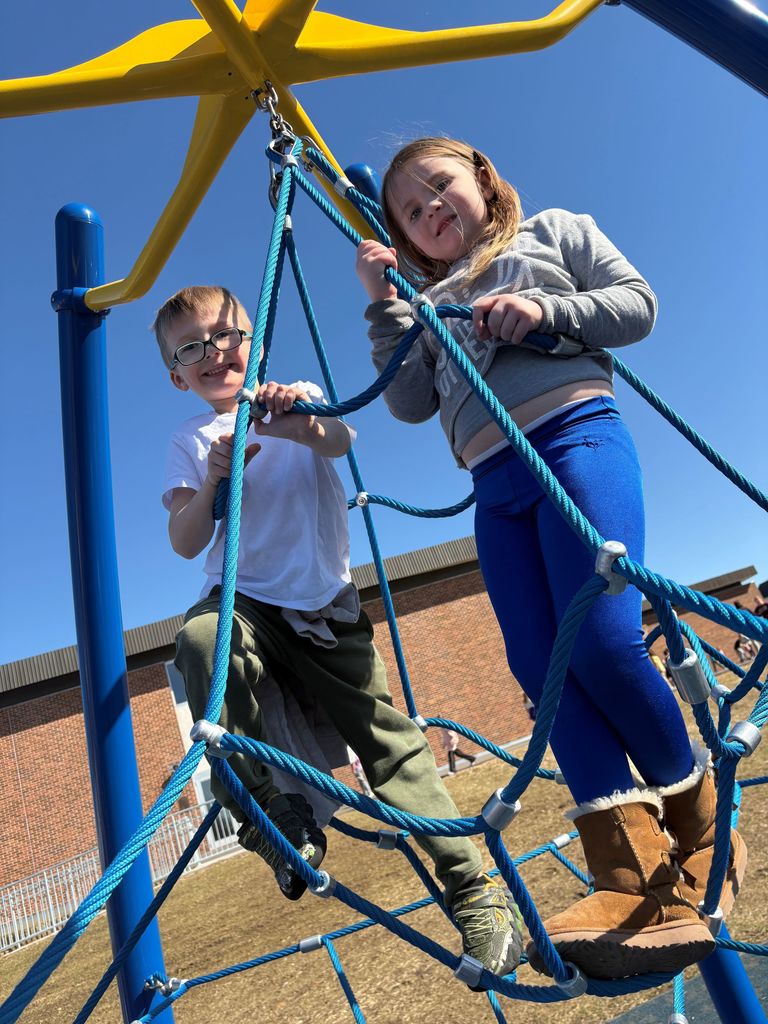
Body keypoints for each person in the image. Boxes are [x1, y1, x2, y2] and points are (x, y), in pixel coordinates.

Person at [354, 137, 746, 980]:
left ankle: (702, 822)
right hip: (495, 486)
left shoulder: (554, 234)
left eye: (440, 188)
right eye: (412, 212)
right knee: (542, 667)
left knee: (603, 640)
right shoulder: (426, 307)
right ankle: (631, 875)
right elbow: (410, 403)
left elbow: (636, 305)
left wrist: (546, 312)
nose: (430, 212)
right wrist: (387, 303)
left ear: (483, 183)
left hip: (575, 439)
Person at [155, 285, 523, 979]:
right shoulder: (191, 440)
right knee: (201, 644)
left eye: (226, 335)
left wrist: (299, 425)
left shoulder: (296, 397)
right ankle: (269, 808)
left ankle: (474, 889)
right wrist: (212, 481)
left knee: (389, 742)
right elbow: (184, 538)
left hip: (325, 607)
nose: (214, 353)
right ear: (177, 375)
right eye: (191, 349)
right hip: (248, 606)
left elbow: (339, 438)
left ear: (253, 341)